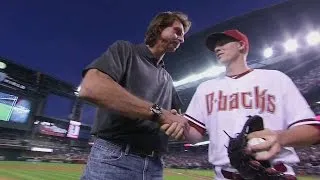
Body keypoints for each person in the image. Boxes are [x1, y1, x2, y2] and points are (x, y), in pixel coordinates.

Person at [162, 29, 320, 179]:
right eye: (215, 46)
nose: (217, 48)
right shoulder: (205, 88)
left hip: (273, 172)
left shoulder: (276, 79)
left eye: (223, 43)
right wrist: (179, 125)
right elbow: (195, 136)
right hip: (225, 175)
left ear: (241, 45)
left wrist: (280, 137)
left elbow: (312, 130)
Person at [79, 11, 191, 180]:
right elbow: (91, 87)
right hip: (115, 158)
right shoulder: (126, 50)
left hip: (155, 165)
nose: (182, 39)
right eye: (177, 31)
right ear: (160, 27)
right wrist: (159, 113)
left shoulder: (167, 77)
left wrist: (177, 125)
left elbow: (176, 119)